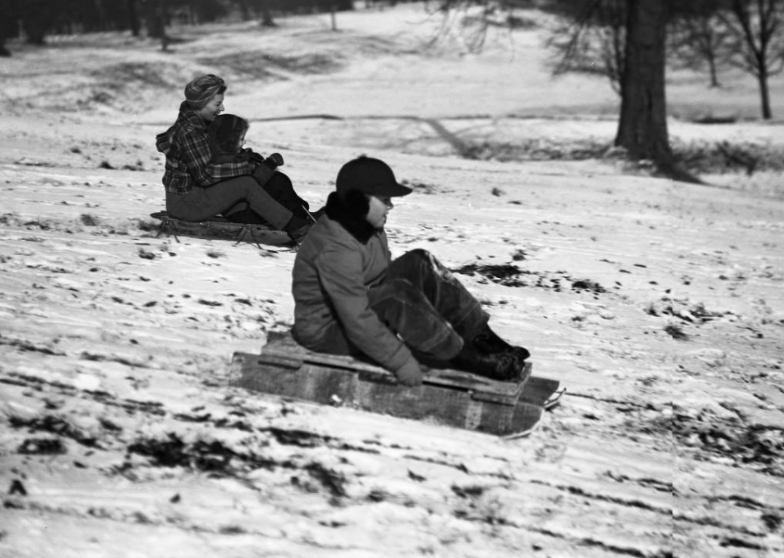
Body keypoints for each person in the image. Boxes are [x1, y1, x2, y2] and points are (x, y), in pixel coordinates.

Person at [290, 156, 530, 387]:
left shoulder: (363, 225)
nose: (391, 205)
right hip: (328, 331)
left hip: (356, 308)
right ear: (358, 200)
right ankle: (471, 359)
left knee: (419, 261)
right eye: (385, 199)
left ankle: (485, 340)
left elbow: (380, 275)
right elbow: (357, 319)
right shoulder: (337, 248)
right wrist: (402, 362)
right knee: (397, 294)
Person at [155, 74, 314, 243]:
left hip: (192, 197)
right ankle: (298, 228)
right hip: (186, 203)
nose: (222, 108)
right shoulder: (190, 132)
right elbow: (205, 175)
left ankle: (299, 220)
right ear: (201, 103)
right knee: (245, 184)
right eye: (217, 103)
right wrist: (247, 167)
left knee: (255, 182)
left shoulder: (197, 126)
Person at [206, 113, 313, 224]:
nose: (244, 142)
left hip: (250, 206)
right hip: (242, 213)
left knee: (279, 181)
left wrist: (254, 160)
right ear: (229, 141)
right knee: (278, 182)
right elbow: (252, 183)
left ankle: (302, 213)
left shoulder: (229, 157)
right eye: (241, 139)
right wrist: (268, 165)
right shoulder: (222, 163)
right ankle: (301, 217)